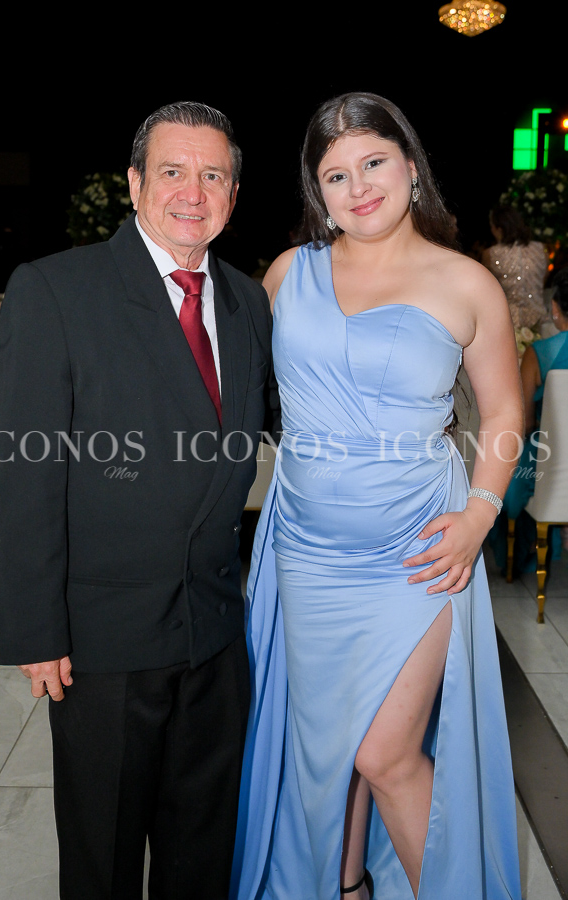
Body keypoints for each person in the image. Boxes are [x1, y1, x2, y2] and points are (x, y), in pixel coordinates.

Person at [0, 101, 280, 900]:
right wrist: (36, 629)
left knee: (201, 855)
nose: (193, 192)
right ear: (135, 183)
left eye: (212, 175)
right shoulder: (56, 289)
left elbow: (279, 424)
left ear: (233, 194)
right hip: (101, 642)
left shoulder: (247, 302)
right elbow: (20, 477)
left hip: (214, 634)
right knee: (103, 860)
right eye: (173, 171)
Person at [230, 92, 523, 900]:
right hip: (306, 549)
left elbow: (504, 413)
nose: (357, 187)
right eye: (335, 175)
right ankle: (347, 884)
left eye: (372, 163)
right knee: (330, 744)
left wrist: (478, 515)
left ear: (410, 168)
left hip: (418, 548)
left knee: (383, 751)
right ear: (315, 190)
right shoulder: (288, 273)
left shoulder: (465, 282)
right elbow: (230, 387)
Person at [489, 266, 568, 575]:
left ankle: (514, 558)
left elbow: (523, 424)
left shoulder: (540, 353)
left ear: (555, 307)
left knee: (506, 473)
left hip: (549, 460)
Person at [482, 205, 548, 330]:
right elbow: (542, 281)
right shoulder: (541, 249)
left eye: (492, 226)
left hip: (507, 323)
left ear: (499, 229)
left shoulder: (491, 254)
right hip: (539, 320)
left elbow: (487, 291)